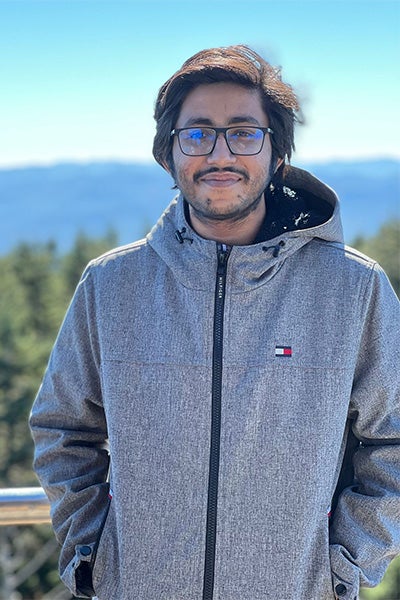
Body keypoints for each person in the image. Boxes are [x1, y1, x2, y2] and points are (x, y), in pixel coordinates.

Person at [30, 45, 400, 600]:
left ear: (277, 152)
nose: (220, 153)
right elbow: (63, 430)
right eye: (197, 133)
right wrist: (93, 558)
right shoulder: (111, 286)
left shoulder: (352, 289)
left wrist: (343, 572)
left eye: (244, 133)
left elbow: (392, 440)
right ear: (169, 153)